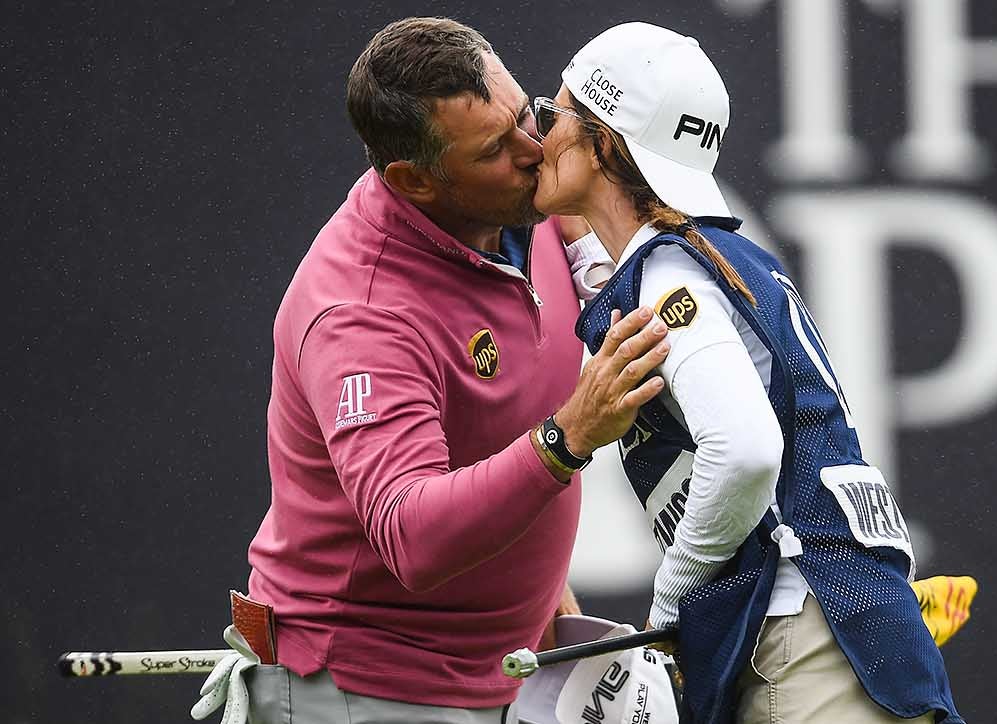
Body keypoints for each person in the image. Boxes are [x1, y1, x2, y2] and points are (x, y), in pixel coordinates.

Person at [193, 17, 673, 724]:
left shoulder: (524, 200)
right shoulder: (361, 314)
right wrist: (568, 435)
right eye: (494, 149)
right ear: (414, 181)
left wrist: (542, 595)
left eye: (524, 114)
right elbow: (410, 537)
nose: (534, 150)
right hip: (364, 691)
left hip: (499, 674)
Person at [530, 22, 964, 724]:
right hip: (842, 625)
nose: (536, 136)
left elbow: (746, 452)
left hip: (803, 645)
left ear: (606, 141)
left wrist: (671, 602)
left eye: (552, 116)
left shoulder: (672, 275)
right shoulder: (713, 256)